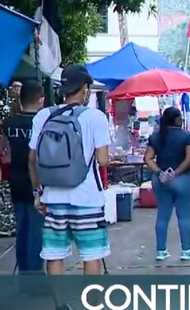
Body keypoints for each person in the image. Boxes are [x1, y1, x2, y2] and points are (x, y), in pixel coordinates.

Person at [29, 65, 111, 275]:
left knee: (54, 255)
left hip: (52, 199)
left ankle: (60, 305)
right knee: (91, 256)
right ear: (85, 88)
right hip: (87, 200)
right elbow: (103, 160)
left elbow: (32, 159)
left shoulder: (43, 116)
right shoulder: (95, 117)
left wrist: (38, 194)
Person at [144, 107, 190, 261]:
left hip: (161, 181)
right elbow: (189, 158)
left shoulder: (156, 136)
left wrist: (161, 173)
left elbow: (148, 158)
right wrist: (176, 173)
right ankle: (186, 250)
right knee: (184, 216)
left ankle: (161, 250)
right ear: (177, 119)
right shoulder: (186, 136)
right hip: (183, 179)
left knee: (162, 215)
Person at [6, 79, 44, 273]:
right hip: (37, 182)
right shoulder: (41, 123)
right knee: (36, 233)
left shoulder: (9, 123)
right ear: (40, 100)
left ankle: (24, 273)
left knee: (21, 231)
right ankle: (35, 277)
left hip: (16, 182)